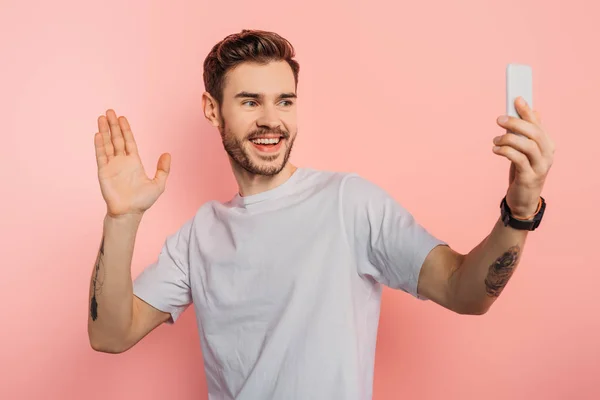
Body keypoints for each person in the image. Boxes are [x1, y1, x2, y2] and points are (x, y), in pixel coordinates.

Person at [87, 29, 555, 400]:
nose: (272, 120)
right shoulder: (198, 236)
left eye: (284, 101)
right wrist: (122, 218)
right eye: (251, 101)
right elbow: (110, 334)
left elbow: (465, 291)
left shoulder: (349, 203)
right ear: (213, 109)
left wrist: (520, 212)